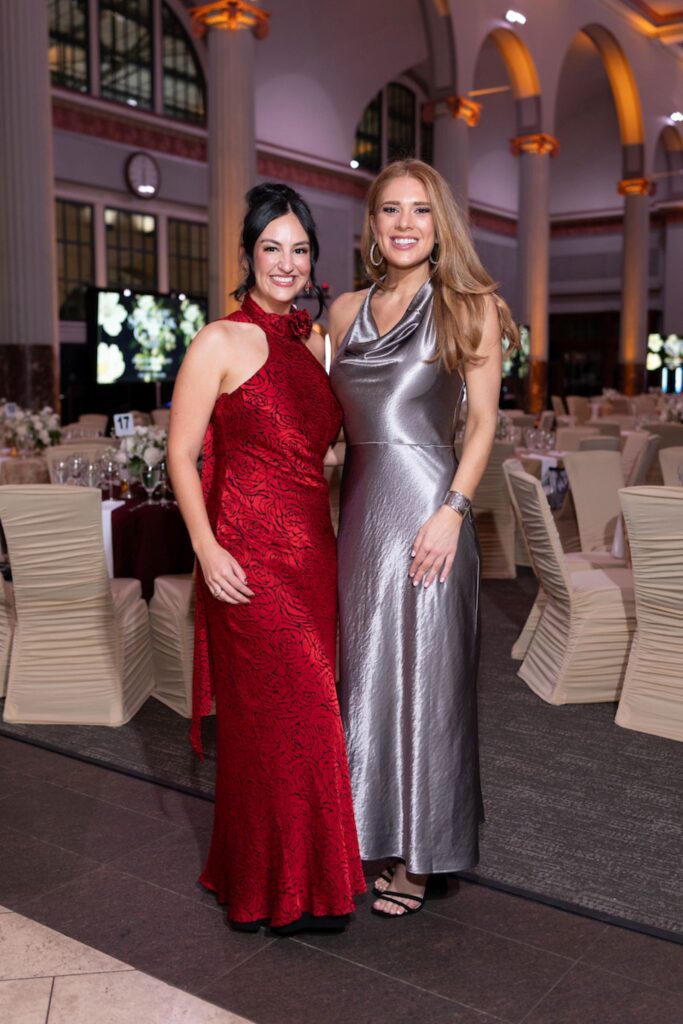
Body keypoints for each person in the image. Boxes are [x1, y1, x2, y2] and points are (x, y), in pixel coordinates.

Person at [168, 182, 365, 932]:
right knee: (275, 721)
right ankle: (271, 888)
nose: (285, 263)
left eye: (299, 249)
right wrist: (206, 546)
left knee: (309, 714)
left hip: (314, 554)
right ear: (248, 256)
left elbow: (337, 443)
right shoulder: (219, 340)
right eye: (271, 248)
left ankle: (297, 880)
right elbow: (180, 456)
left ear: (313, 260)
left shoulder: (317, 343)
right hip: (245, 561)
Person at [328, 159, 517, 918]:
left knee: (429, 685)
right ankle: (367, 831)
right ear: (371, 227)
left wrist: (453, 509)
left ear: (440, 224)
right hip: (360, 514)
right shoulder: (342, 312)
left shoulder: (469, 305)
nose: (403, 224)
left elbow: (481, 422)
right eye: (389, 211)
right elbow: (322, 422)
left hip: (431, 508)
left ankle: (420, 854)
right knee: (365, 676)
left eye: (419, 211)